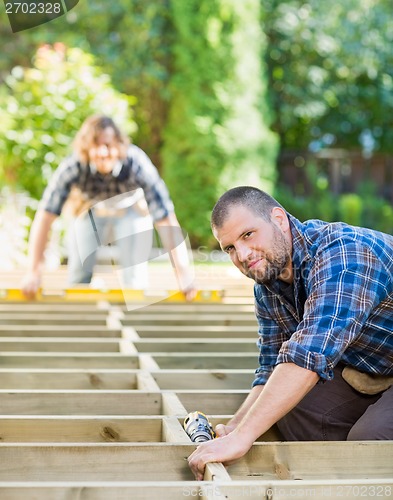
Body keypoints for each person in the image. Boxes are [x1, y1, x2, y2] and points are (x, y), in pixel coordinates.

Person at [188, 185, 393, 480]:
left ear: (279, 219)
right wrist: (236, 427)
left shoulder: (345, 255)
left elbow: (309, 353)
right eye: (230, 248)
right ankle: (343, 470)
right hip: (376, 366)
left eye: (248, 235)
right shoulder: (267, 285)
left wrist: (243, 438)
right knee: (286, 408)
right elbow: (271, 369)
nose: (243, 255)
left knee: (373, 440)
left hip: (377, 367)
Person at [22, 115, 196, 299]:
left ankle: (134, 316)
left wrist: (183, 273)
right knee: (80, 270)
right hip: (90, 210)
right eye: (96, 145)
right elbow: (45, 216)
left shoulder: (136, 163)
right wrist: (33, 272)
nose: (103, 152)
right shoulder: (73, 167)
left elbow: (165, 217)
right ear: (86, 148)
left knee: (134, 274)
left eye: (108, 145)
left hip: (131, 209)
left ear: (119, 145)